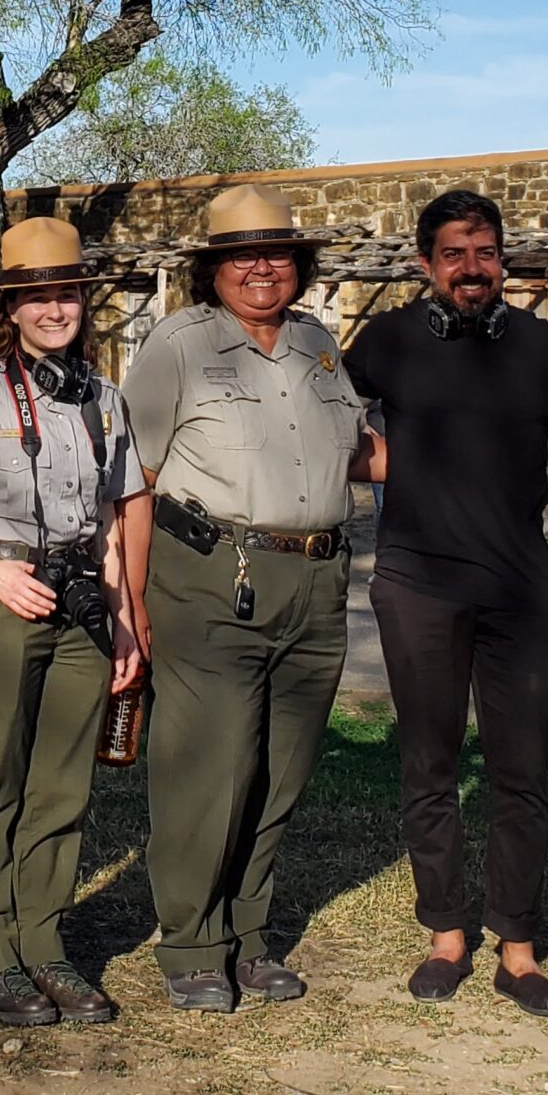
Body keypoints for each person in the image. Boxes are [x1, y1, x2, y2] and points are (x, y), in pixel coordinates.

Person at [121, 186, 380, 1012]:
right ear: (213, 269)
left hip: (317, 578)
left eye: (277, 253)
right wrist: (130, 600)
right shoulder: (179, 345)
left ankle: (249, 933)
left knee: (283, 766)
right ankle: (193, 943)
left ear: (300, 265)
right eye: (242, 255)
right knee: (212, 763)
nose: (262, 268)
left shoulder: (318, 343)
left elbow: (357, 455)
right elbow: (137, 477)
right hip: (211, 574)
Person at [342, 189, 548, 1016]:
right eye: (454, 254)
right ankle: (447, 934)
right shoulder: (383, 344)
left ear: (505, 260)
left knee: (523, 773)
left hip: (518, 591)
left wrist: (528, 490)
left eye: (484, 253)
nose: (472, 269)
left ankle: (517, 950)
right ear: (426, 265)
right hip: (416, 587)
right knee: (430, 765)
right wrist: (404, 472)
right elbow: (324, 432)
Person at [0, 219, 150, 1026]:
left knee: (62, 785)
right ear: (12, 308)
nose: (56, 309)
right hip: (1, 594)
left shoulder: (105, 399)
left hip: (83, 599)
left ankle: (42, 942)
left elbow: (115, 518)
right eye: (39, 297)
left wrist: (127, 620)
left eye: (68, 294)